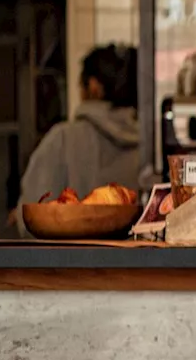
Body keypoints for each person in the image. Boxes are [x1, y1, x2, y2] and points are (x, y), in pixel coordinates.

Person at [16, 44, 140, 232]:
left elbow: (32, 219)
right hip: (141, 259)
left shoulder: (63, 139)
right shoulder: (151, 143)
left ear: (93, 86)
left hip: (73, 261)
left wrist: (19, 216)